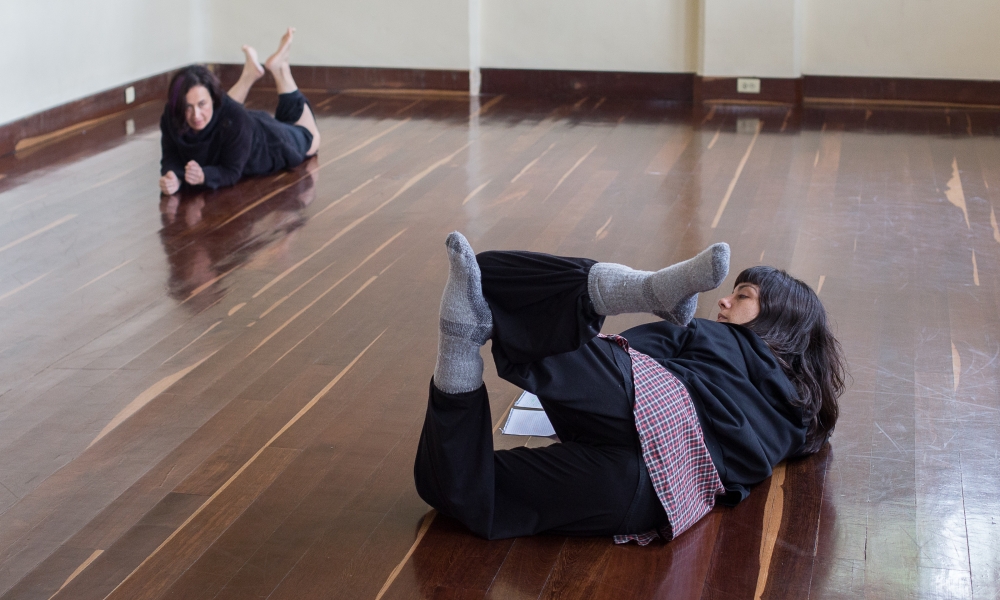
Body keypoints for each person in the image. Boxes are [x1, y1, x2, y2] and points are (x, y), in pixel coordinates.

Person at [414, 232, 846, 544]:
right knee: (457, 489)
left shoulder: (719, 336)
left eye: (743, 295)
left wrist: (546, 335)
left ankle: (646, 289)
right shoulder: (798, 420)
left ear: (778, 320)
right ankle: (464, 339)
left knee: (494, 279)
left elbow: (624, 353)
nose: (724, 302)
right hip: (658, 491)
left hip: (656, 404)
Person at [159, 27, 321, 194]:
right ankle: (263, 71)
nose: (196, 115)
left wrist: (204, 176)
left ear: (214, 100)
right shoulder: (171, 116)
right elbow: (170, 155)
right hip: (243, 124)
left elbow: (231, 172)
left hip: (269, 141)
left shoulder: (234, 118)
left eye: (202, 104)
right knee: (226, 118)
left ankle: (282, 69)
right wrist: (174, 178)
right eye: (187, 107)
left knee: (312, 138)